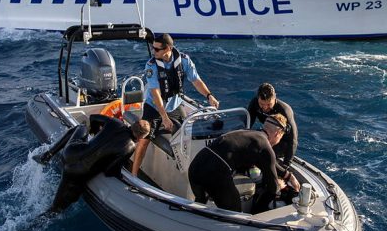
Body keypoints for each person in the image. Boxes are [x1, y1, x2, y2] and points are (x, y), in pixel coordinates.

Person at [131, 33, 219, 176]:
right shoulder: (151, 65)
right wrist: (164, 117)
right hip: (154, 107)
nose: (154, 52)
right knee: (145, 140)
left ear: (168, 49)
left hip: (175, 105)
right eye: (153, 48)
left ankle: (190, 172)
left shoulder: (184, 61)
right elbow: (155, 94)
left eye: (157, 49)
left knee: (187, 135)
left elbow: (196, 81)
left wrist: (209, 96)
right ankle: (134, 174)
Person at [34, 114, 150, 214]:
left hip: (70, 153)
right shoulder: (130, 147)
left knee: (81, 127)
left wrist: (94, 132)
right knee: (55, 210)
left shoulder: (115, 123)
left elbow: (93, 117)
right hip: (78, 173)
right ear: (141, 137)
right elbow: (110, 171)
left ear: (133, 124)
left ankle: (47, 155)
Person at [187, 113, 296, 213]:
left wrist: (288, 175)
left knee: (200, 203)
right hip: (215, 173)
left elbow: (267, 162)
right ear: (278, 134)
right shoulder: (265, 147)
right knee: (234, 212)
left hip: (196, 166)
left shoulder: (248, 133)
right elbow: (273, 187)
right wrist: (279, 186)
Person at [247, 83, 298, 181]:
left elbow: (293, 139)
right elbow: (247, 126)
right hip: (269, 136)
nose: (265, 108)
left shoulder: (284, 110)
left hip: (283, 141)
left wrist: (286, 165)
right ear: (258, 98)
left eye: (269, 104)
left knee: (264, 156)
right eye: (262, 104)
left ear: (275, 98)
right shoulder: (254, 104)